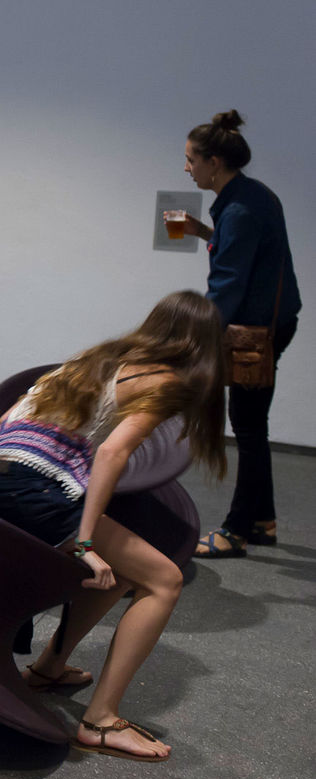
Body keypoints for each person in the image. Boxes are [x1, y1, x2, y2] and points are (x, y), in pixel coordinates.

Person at [0, 291, 226, 761]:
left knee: (125, 571)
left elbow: (6, 417)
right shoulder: (167, 380)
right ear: (205, 347)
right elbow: (111, 453)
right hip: (33, 488)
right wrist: (83, 540)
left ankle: (48, 669)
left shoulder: (101, 356)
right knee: (164, 580)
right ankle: (101, 721)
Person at [168, 112, 300, 559]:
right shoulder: (247, 197)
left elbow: (228, 282)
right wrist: (203, 230)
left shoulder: (240, 208)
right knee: (251, 426)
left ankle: (236, 530)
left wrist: (196, 338)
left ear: (215, 162)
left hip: (254, 334)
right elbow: (240, 253)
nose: (187, 168)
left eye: (191, 160)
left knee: (247, 429)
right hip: (271, 323)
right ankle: (262, 521)